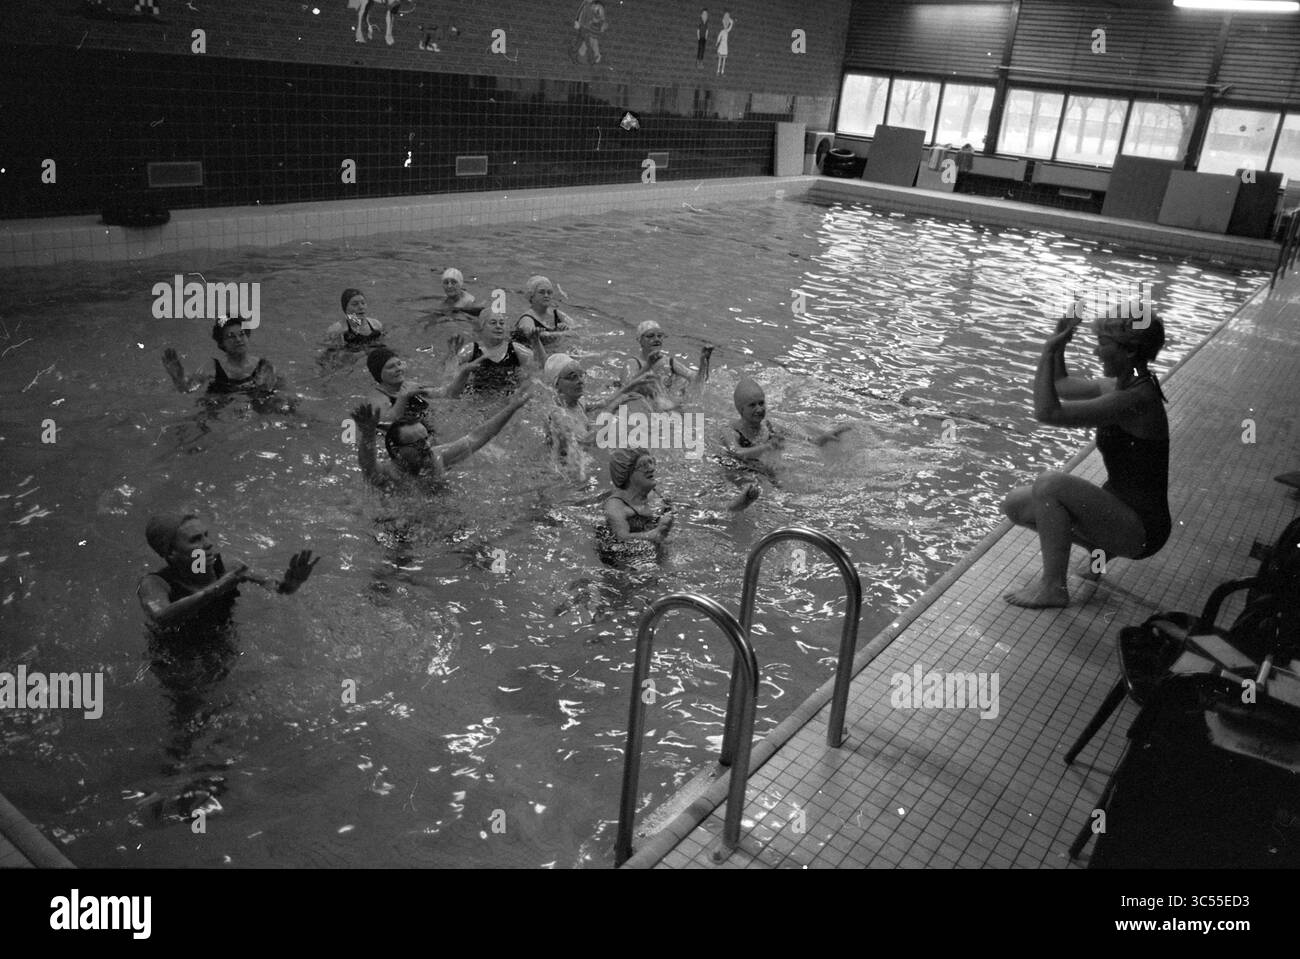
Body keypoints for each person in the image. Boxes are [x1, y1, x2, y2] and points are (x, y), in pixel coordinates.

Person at [1001, 307, 1170, 608]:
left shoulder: (1136, 399)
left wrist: (1046, 350)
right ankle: (1099, 552)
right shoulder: (1124, 384)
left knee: (1050, 485)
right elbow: (1060, 385)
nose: (1096, 351)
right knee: (1017, 505)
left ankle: (1053, 587)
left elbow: (1047, 411)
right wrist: (1059, 343)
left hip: (1142, 528)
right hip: (1121, 512)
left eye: (1102, 343)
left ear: (1129, 351)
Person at [137, 513, 317, 631]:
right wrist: (216, 589)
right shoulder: (154, 584)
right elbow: (162, 617)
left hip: (223, 644)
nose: (208, 544)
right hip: (177, 656)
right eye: (195, 540)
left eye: (206, 535)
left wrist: (293, 583)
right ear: (170, 553)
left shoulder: (227, 567)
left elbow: (278, 589)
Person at [349, 391, 533, 490]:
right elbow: (367, 464)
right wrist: (367, 434)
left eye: (426, 439)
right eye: (417, 443)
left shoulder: (437, 457)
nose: (427, 446)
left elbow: (478, 436)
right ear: (397, 451)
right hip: (400, 527)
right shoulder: (386, 475)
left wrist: (512, 407)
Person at [542, 353, 656, 478]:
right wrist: (610, 410)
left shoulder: (578, 403)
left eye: (581, 375)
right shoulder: (558, 415)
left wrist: (633, 384)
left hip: (579, 467)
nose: (580, 381)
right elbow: (589, 441)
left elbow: (607, 401)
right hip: (562, 477)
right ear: (557, 384)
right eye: (573, 377)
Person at [723, 376, 851, 462]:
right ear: (741, 409)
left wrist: (824, 437)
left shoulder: (769, 427)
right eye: (752, 405)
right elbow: (736, 453)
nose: (759, 409)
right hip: (735, 470)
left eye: (761, 403)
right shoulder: (731, 430)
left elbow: (808, 442)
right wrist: (766, 447)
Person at [365, 346, 476, 432]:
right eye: (391, 367)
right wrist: (403, 397)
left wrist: (464, 373)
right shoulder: (377, 396)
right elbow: (385, 422)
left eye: (399, 364)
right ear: (378, 373)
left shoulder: (411, 386)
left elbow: (449, 394)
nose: (398, 369)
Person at [162, 318, 278, 396]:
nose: (238, 340)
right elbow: (186, 389)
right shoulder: (212, 367)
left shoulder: (264, 367)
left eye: (242, 334)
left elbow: (278, 391)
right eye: (230, 336)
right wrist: (177, 377)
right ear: (222, 343)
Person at [622, 320, 712, 411]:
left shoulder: (669, 362)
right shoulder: (632, 363)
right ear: (640, 340)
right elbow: (625, 391)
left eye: (660, 336)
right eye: (650, 336)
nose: (656, 339)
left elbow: (699, 380)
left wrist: (704, 362)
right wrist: (648, 365)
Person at [453, 309, 536, 395]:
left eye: (502, 323)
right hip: (476, 398)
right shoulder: (470, 350)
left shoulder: (518, 351)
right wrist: (452, 354)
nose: (498, 326)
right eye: (493, 323)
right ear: (482, 327)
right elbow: (449, 378)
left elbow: (533, 380)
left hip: (507, 399)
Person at [602, 447, 675, 545]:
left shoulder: (654, 493)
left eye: (651, 462)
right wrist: (653, 535)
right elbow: (622, 537)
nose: (652, 468)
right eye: (644, 465)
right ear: (628, 474)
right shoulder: (616, 506)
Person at [513, 276, 573, 346]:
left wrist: (567, 328)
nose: (546, 295)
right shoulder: (527, 318)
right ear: (531, 296)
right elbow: (533, 335)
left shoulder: (557, 314)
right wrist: (562, 334)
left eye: (549, 292)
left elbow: (578, 329)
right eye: (541, 292)